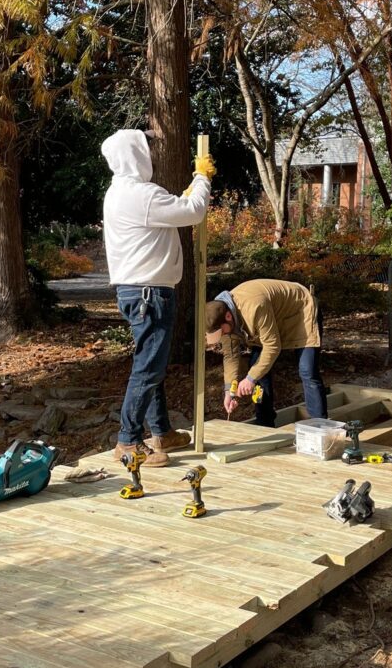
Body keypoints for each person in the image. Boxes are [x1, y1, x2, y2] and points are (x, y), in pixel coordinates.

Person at [101, 128, 215, 467]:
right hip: (149, 293)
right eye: (145, 149)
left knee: (151, 366)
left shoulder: (120, 192)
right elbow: (193, 212)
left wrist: (193, 187)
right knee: (148, 369)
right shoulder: (142, 195)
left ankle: (161, 432)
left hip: (139, 291)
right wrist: (202, 177)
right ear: (135, 155)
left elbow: (177, 208)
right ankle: (128, 442)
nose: (150, 155)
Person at [205, 279, 326, 428]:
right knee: (258, 371)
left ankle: (320, 427)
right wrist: (229, 389)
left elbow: (273, 346)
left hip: (301, 311)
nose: (222, 334)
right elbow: (230, 355)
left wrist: (250, 378)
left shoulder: (254, 306)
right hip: (272, 321)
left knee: (307, 371)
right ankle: (265, 423)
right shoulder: (221, 318)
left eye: (222, 331)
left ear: (228, 317)